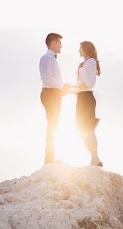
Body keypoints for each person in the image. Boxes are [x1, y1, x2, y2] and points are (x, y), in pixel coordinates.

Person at [70, 40, 103, 167]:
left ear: (85, 49)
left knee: (89, 130)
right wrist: (71, 89)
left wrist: (80, 86)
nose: (78, 50)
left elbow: (91, 82)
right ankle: (96, 159)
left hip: (87, 98)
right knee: (79, 130)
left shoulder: (91, 61)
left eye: (80, 48)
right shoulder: (81, 64)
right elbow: (80, 84)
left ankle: (95, 159)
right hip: (80, 98)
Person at [39, 32, 70, 164]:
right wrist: (61, 86)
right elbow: (46, 77)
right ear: (53, 43)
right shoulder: (46, 58)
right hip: (49, 94)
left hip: (54, 94)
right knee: (53, 125)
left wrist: (63, 88)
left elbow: (53, 80)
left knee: (54, 124)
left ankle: (50, 157)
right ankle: (49, 159)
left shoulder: (52, 59)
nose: (61, 46)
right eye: (59, 43)